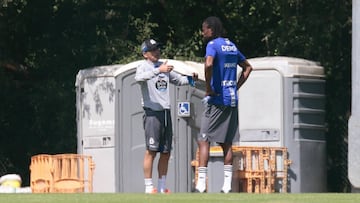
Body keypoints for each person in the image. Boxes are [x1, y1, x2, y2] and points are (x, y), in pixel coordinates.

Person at [195, 16, 253, 193]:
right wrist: (235, 87)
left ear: (211, 30)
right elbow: (248, 67)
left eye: (204, 29)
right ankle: (227, 186)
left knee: (204, 139)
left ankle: (201, 185)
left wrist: (208, 88)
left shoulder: (212, 45)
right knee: (226, 142)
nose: (202, 32)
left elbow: (209, 63)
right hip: (232, 99)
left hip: (217, 99)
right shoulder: (231, 45)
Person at [135, 38, 198, 194]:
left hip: (165, 113)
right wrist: (159, 71)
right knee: (151, 150)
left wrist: (192, 79)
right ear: (145, 54)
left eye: (158, 49)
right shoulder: (143, 67)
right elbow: (139, 79)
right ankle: (149, 187)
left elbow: (179, 80)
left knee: (166, 151)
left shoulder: (163, 66)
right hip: (152, 114)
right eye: (153, 50)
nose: (157, 52)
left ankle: (162, 186)